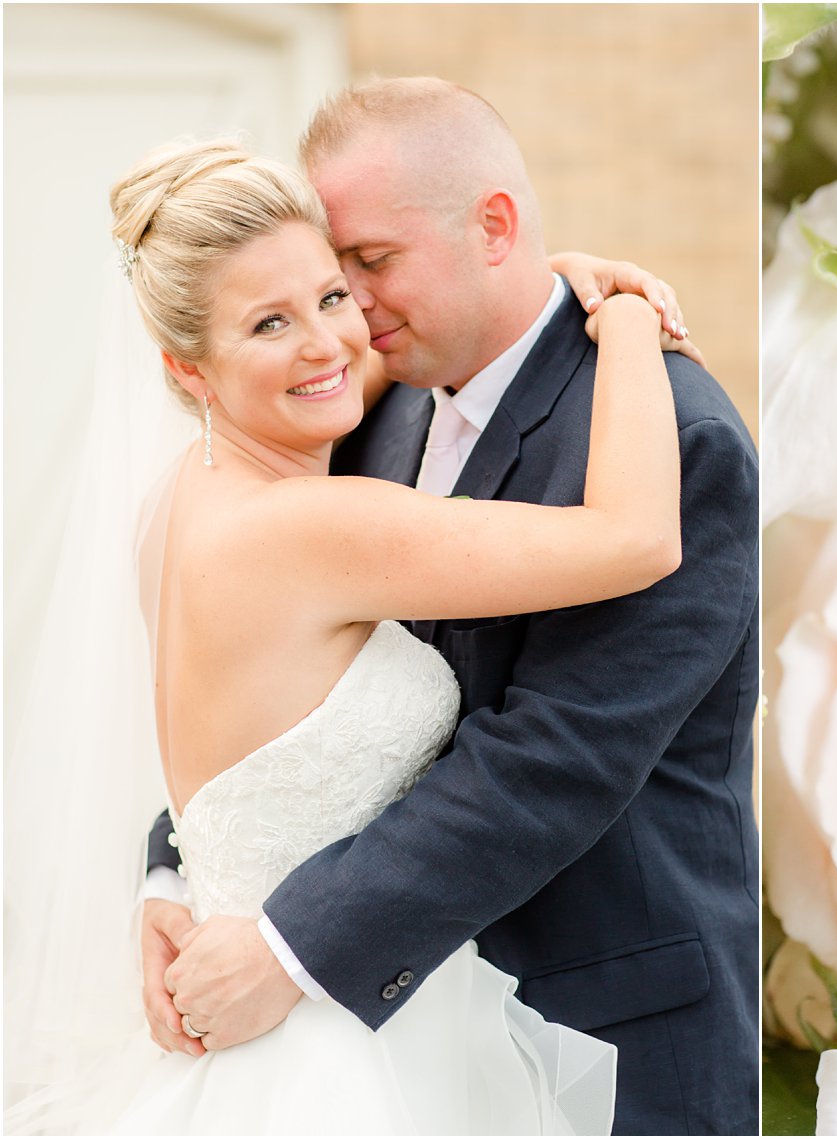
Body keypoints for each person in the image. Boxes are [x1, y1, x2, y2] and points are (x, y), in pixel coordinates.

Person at [142, 79, 760, 1135]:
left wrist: (287, 941)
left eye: (366, 267)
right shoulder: (369, 421)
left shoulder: (676, 438)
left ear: (495, 226)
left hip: (606, 1029)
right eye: (328, 279)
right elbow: (299, 714)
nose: (348, 315)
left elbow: (552, 755)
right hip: (408, 1030)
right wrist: (177, 869)